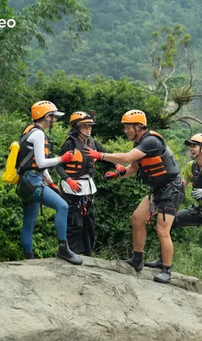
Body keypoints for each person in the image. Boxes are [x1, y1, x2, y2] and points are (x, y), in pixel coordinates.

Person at [85, 109, 184, 284]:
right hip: (158, 190)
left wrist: (100, 155)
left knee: (162, 230)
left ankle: (166, 270)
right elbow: (133, 167)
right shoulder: (140, 144)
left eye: (128, 127)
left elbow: (127, 158)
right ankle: (137, 259)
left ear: (139, 126)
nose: (125, 131)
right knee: (137, 218)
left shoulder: (151, 141)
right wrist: (117, 175)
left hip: (171, 190)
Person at [144, 133, 202, 296]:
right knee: (170, 223)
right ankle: (162, 261)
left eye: (194, 146)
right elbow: (180, 187)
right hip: (199, 211)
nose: (191, 149)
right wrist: (161, 203)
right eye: (191, 146)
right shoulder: (191, 166)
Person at [16, 100, 82, 265]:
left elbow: (35, 163)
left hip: (26, 182)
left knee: (29, 223)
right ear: (46, 116)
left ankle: (28, 258)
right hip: (33, 182)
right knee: (63, 206)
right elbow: (40, 163)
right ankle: (63, 249)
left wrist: (51, 182)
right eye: (53, 116)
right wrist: (62, 158)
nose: (55, 120)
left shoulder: (29, 131)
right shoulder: (38, 134)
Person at [56, 111, 126, 256]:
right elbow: (58, 165)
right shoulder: (70, 143)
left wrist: (116, 166)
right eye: (84, 126)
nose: (88, 129)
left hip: (87, 187)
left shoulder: (92, 142)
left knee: (88, 221)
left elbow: (104, 155)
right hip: (71, 187)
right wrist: (68, 179)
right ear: (76, 127)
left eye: (90, 126)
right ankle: (71, 251)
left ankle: (87, 252)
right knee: (74, 222)